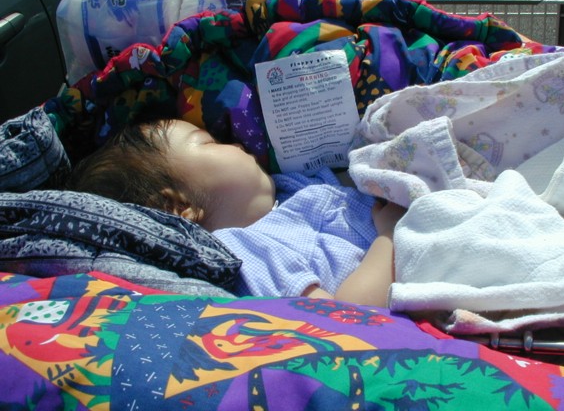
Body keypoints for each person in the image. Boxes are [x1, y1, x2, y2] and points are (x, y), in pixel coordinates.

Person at [66, 119, 405, 307]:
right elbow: (345, 318)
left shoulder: (286, 188)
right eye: (210, 143)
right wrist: (390, 237)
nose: (239, 144)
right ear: (179, 207)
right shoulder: (244, 251)